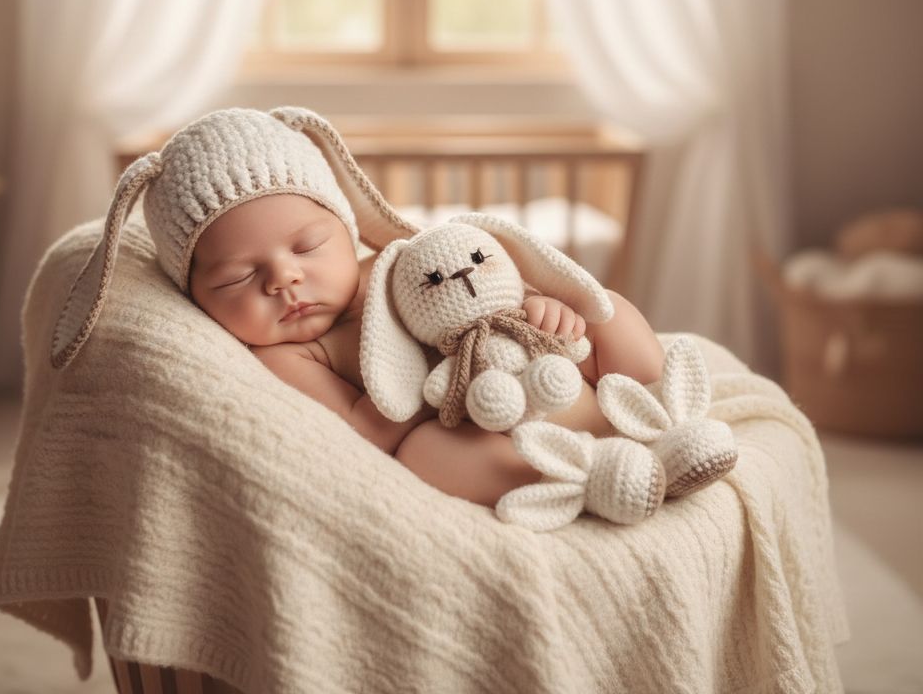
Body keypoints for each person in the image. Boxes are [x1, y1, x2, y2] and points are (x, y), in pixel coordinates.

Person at [52, 106, 666, 511]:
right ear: (194, 296)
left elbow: (490, 288)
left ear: (347, 232)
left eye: (307, 247)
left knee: (608, 308)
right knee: (425, 457)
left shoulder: (393, 268)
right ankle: (578, 477)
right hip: (485, 434)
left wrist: (539, 310)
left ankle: (649, 403)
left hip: (557, 381)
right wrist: (433, 390)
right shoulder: (290, 355)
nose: (283, 279)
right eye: (238, 277)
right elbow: (362, 430)